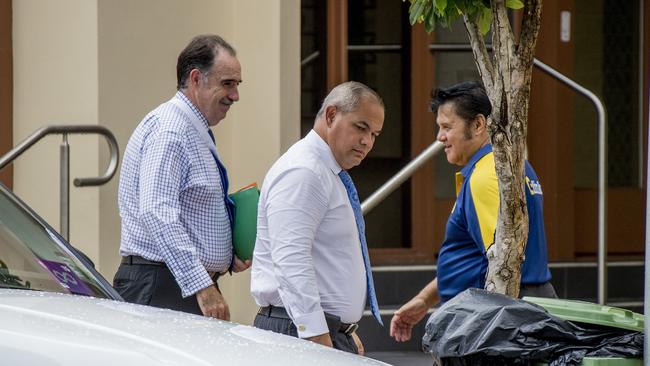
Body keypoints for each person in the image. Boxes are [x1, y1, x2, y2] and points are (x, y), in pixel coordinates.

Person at [390, 81, 556, 343]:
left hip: (503, 319)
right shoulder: (511, 164)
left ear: (478, 125)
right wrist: (426, 299)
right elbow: (478, 256)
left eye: (447, 127)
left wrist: (490, 340)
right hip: (516, 309)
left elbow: (503, 264)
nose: (440, 137)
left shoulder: (486, 176)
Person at [114, 34, 250, 320]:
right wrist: (202, 284)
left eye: (237, 85)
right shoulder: (172, 131)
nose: (235, 96)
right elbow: (157, 212)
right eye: (227, 84)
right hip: (163, 284)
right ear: (196, 79)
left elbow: (188, 209)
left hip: (174, 283)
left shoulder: (187, 128)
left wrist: (224, 255)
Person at [250, 81, 385, 354]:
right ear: (332, 115)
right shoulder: (305, 171)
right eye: (361, 128)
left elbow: (327, 259)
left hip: (320, 331)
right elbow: (291, 258)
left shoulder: (325, 171)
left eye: (374, 134)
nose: (367, 141)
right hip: (300, 333)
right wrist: (316, 336)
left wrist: (345, 329)